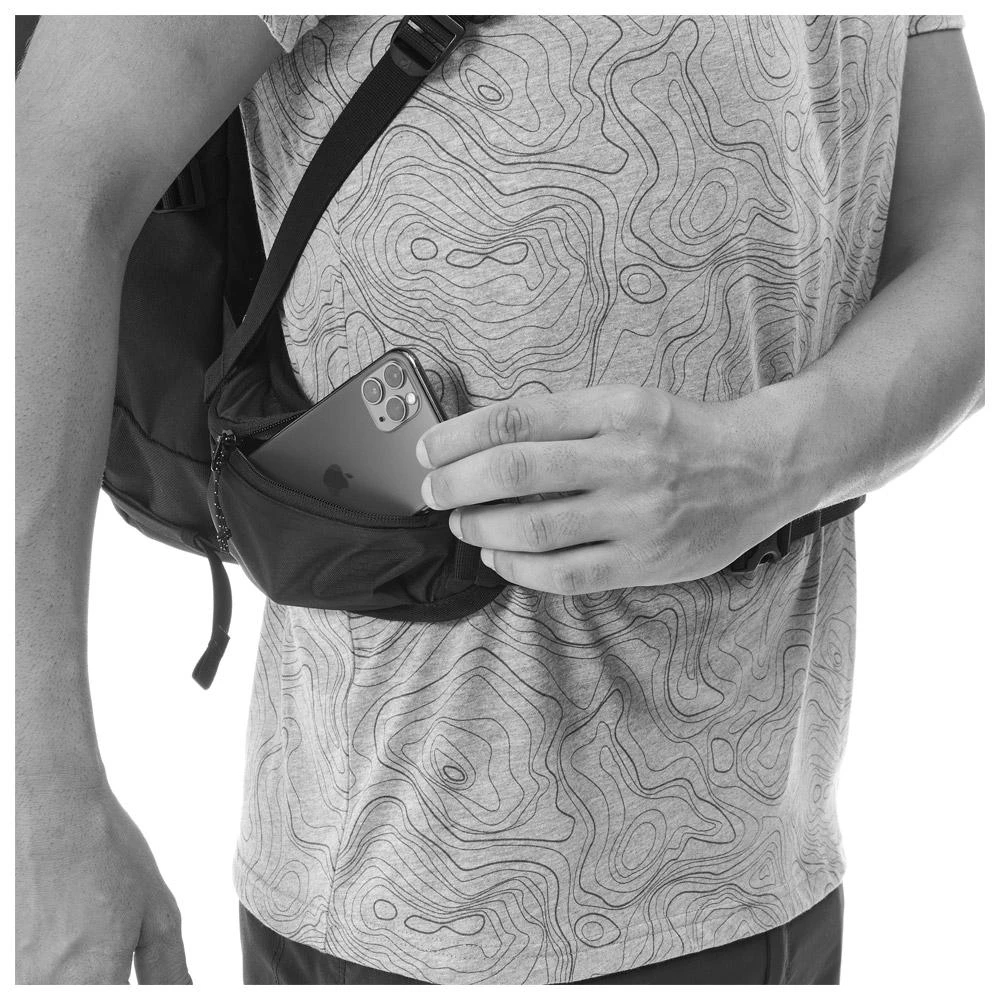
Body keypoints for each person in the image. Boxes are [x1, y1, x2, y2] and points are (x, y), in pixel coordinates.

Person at [15, 14, 983, 986]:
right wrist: (40, 800)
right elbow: (55, 178)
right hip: (411, 900)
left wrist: (774, 458)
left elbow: (961, 230)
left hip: (773, 857)